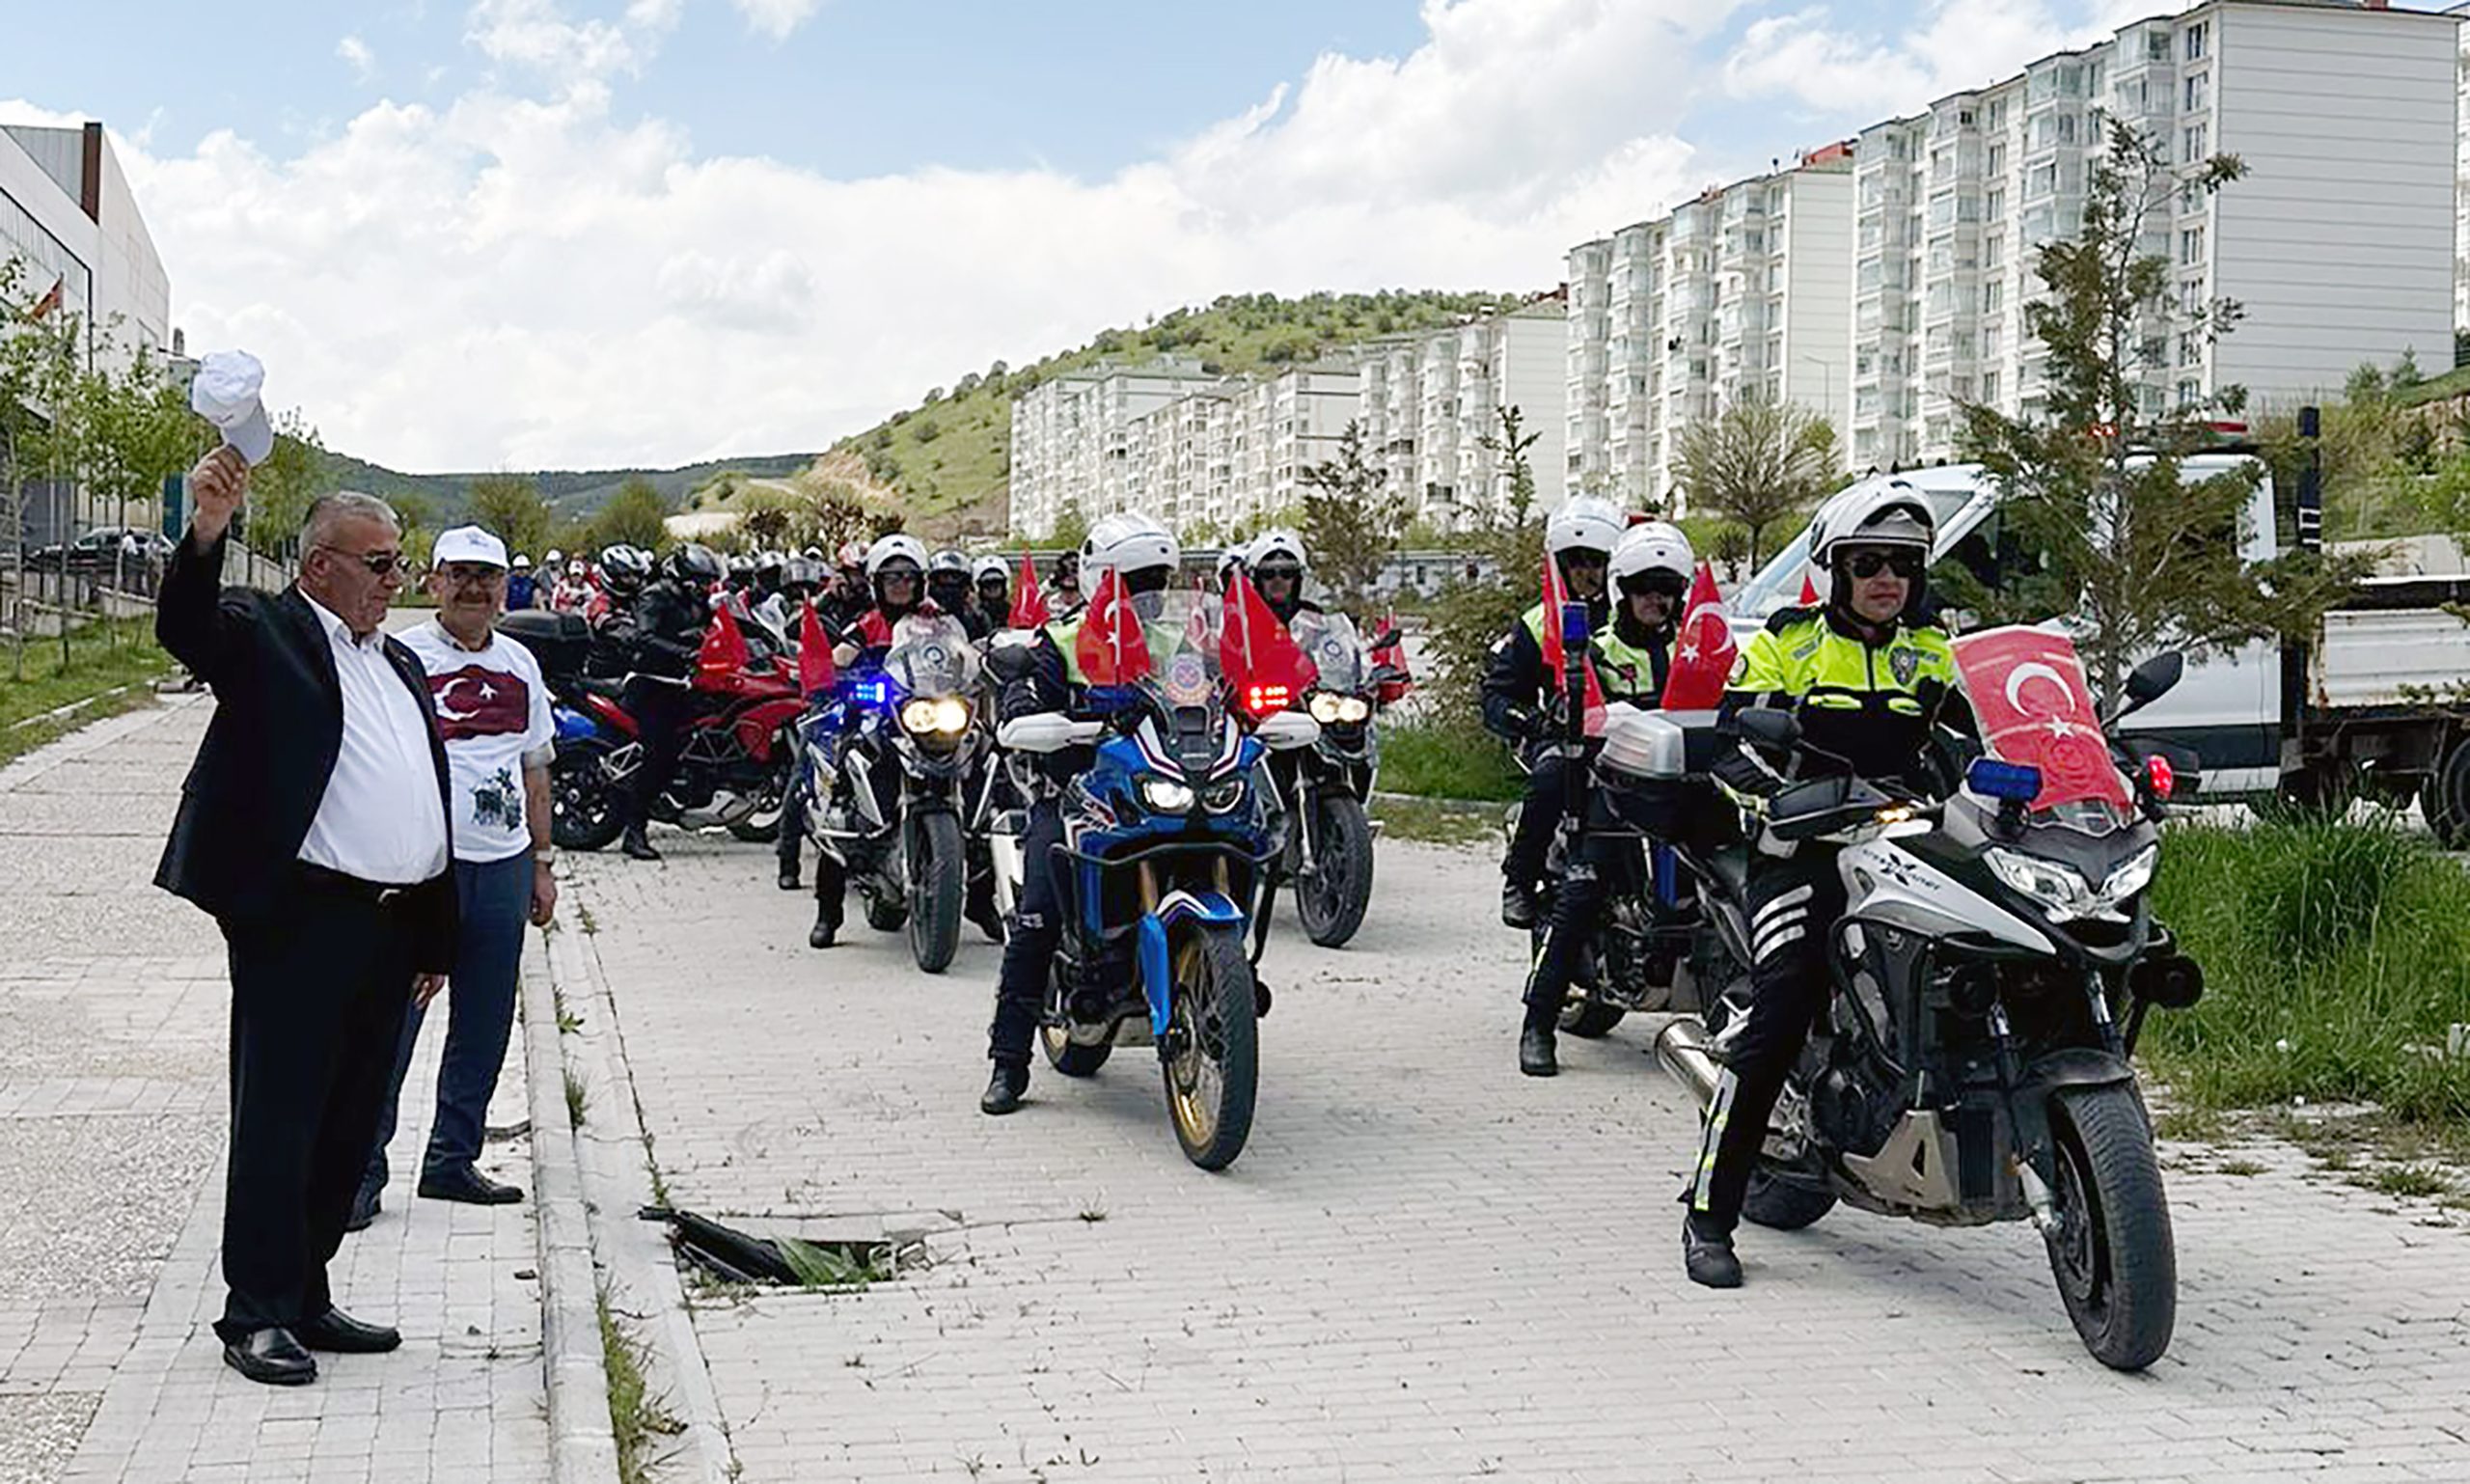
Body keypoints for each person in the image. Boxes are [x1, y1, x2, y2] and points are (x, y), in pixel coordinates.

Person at [154, 455, 455, 1387]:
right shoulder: (267, 631)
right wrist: (206, 529)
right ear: (320, 565)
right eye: (378, 564)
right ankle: (255, 1311)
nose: (394, 581)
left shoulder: (396, 658)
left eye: (399, 563)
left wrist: (435, 934)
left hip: (392, 924)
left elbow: (425, 795)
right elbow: (187, 627)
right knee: (282, 1115)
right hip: (301, 919)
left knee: (351, 1115)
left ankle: (309, 1291)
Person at [1682, 482, 1967, 1289]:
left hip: (1911, 845)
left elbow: (1978, 738)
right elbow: (1735, 746)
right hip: (1803, 852)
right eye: (1869, 563)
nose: (1888, 579)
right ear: (1835, 570)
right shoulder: (1787, 642)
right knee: (1782, 1010)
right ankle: (1709, 1214)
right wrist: (1776, 797)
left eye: (1903, 565)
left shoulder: (1933, 652)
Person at [352, 527, 556, 1229]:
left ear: (506, 587)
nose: (474, 588)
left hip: (500, 863)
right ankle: (359, 1174)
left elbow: (535, 768)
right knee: (393, 1021)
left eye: (487, 576)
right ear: (432, 582)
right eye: (460, 574)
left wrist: (541, 861)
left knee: (485, 1020)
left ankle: (450, 1160)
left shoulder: (522, 665)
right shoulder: (402, 658)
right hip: (422, 870)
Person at [980, 512, 1179, 1114]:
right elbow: (1020, 702)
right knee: (1039, 914)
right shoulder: (1059, 641)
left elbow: (1218, 695)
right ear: (1101, 580)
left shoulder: (1177, 645)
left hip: (1157, 794)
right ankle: (1008, 1062)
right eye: (1136, 581)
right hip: (1076, 798)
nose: (1149, 597)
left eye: (1157, 581)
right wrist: (1035, 718)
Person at [1513, 520, 1691, 1077]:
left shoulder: (1695, 651)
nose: (1655, 600)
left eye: (1666, 589)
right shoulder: (1593, 650)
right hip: (1613, 795)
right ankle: (1538, 1024)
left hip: (1686, 793)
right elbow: (1574, 712)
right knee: (1581, 891)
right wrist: (1569, 715)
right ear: (1622, 591)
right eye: (1644, 588)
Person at [1481, 494, 1626, 931]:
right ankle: (1520, 880)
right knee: (1552, 776)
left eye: (1597, 560)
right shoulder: (1538, 623)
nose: (1587, 571)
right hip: (1567, 736)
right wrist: (1533, 721)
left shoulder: (1636, 611)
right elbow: (1498, 697)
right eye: (1576, 560)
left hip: (1633, 735)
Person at [795, 534, 930, 938]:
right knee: (841, 787)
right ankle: (828, 913)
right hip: (876, 718)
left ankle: (979, 901)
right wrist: (838, 675)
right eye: (892, 578)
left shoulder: (934, 621)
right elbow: (839, 658)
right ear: (877, 584)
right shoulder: (866, 624)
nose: (900, 585)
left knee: (979, 776)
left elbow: (962, 653)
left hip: (926, 717)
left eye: (908, 577)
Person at [616, 543, 724, 862]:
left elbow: (710, 630)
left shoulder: (697, 601)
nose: (704, 587)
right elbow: (644, 636)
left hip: (682, 684)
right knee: (660, 755)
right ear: (682, 575)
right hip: (651, 684)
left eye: (707, 582)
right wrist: (684, 652)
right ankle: (634, 831)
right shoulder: (655, 595)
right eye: (699, 580)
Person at [1247, 528, 1319, 625]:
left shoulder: (1312, 617)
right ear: (1257, 579)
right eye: (1268, 573)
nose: (1278, 580)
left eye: (1287, 573)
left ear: (1298, 579)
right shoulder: (1243, 619)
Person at [971, 555, 1011, 628]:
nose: (992, 589)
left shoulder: (1013, 613)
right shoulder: (972, 615)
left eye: (997, 583)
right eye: (987, 584)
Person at [1048, 548, 1084, 618]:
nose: (1070, 576)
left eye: (1074, 570)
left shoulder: (1089, 605)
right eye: (1064, 570)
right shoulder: (1051, 604)